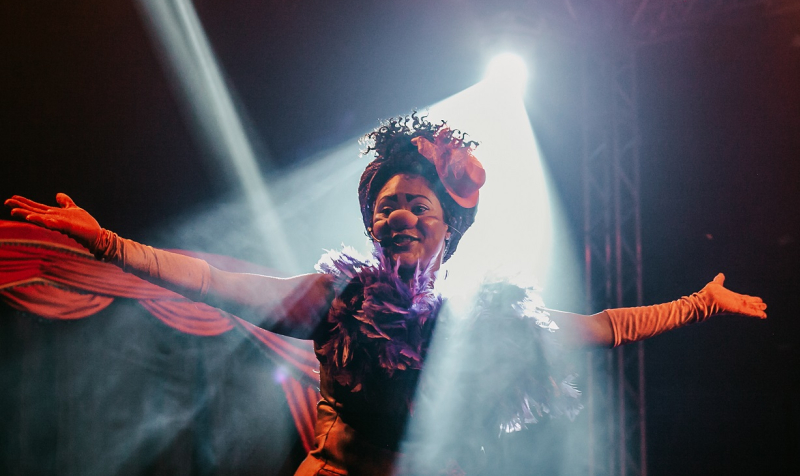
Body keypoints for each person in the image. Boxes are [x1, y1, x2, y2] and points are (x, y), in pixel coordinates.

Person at [5, 114, 767, 476]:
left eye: (416, 205)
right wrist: (112, 246)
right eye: (386, 206)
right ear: (372, 224)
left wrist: (700, 303)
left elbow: (604, 326)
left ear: (448, 227)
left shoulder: (485, 318)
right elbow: (221, 286)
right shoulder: (336, 298)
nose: (398, 214)